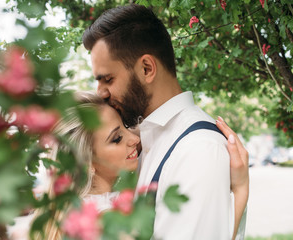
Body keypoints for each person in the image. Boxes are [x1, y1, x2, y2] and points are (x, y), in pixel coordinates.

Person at [83, 4, 248, 240]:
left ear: (147, 68)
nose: (101, 93)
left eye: (108, 79)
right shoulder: (143, 139)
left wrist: (241, 193)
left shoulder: (198, 150)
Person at [7, 92, 141, 239]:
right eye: (117, 139)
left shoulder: (72, 214)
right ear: (86, 162)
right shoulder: (106, 224)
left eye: (126, 126)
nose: (134, 138)